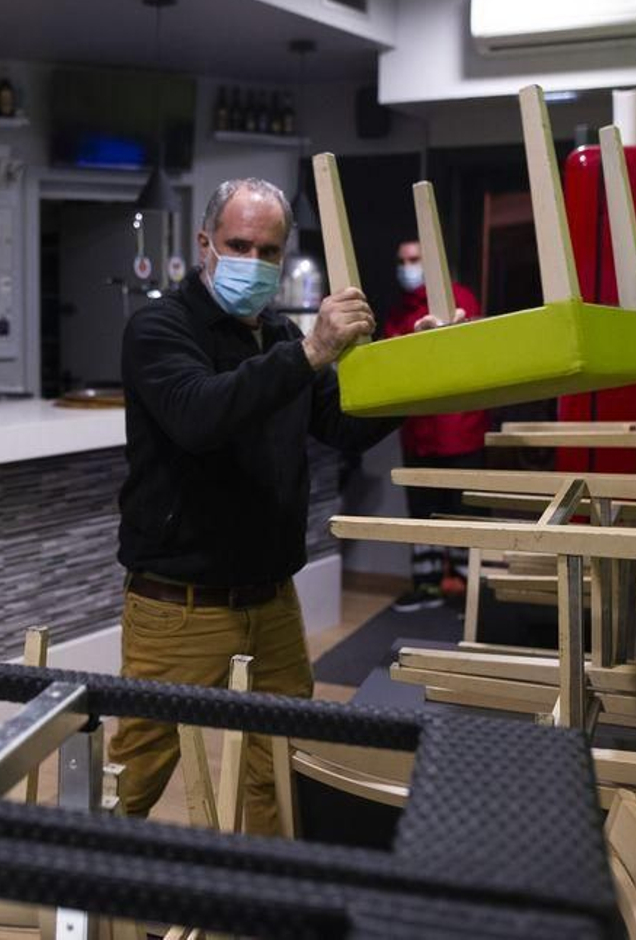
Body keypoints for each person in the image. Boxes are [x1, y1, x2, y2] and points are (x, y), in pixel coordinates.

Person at [110, 178, 450, 836]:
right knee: (136, 775)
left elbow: (343, 423)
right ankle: (80, 908)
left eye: (269, 250)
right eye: (240, 245)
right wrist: (312, 351)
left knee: (279, 762)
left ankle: (265, 905)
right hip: (180, 606)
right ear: (204, 244)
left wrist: (421, 367)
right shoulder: (159, 327)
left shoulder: (276, 334)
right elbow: (199, 414)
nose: (255, 263)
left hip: (270, 601)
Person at [382, 238, 489, 610]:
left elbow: (474, 356)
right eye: (402, 259)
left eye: (414, 258)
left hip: (459, 430)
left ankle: (470, 591)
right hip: (417, 432)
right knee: (422, 512)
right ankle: (426, 584)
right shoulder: (398, 313)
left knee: (466, 512)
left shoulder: (460, 299)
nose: (407, 266)